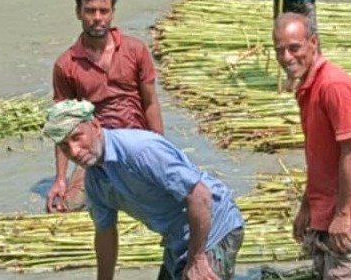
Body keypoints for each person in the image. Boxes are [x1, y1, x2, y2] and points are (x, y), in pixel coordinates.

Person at [44, 100, 244, 280]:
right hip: (178, 237)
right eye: (64, 146)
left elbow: (200, 195)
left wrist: (197, 259)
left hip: (213, 226)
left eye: (77, 137)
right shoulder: (94, 181)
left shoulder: (140, 151)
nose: (74, 151)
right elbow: (105, 233)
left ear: (95, 126)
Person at [272, 13, 351, 280]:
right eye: (280, 50)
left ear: (313, 42)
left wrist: (343, 214)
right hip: (327, 207)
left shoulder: (333, 86)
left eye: (294, 48)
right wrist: (307, 205)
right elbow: (322, 157)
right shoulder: (308, 88)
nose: (287, 57)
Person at [47, 0, 164, 213]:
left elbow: (150, 103)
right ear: (78, 13)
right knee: (66, 209)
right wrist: (60, 179)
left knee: (159, 201)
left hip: (136, 143)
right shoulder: (66, 64)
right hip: (97, 150)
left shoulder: (135, 50)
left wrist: (160, 150)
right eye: (90, 11)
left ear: (112, 13)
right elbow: (63, 126)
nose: (97, 17)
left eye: (104, 11)